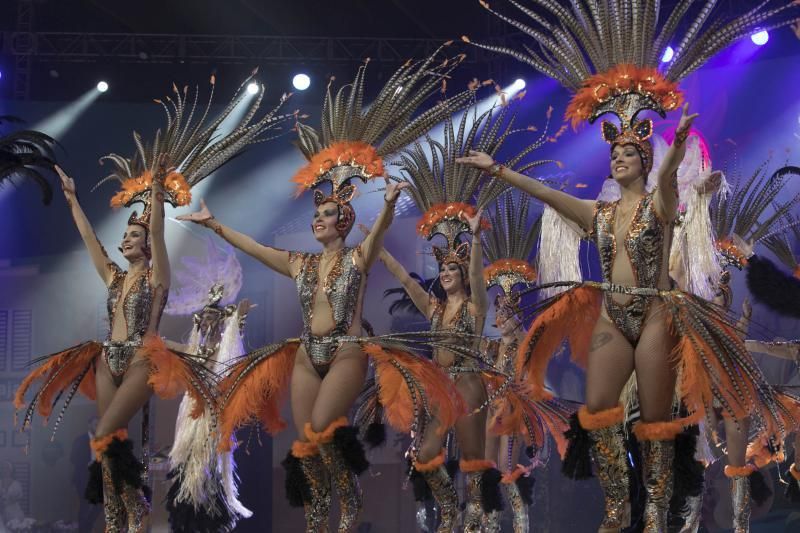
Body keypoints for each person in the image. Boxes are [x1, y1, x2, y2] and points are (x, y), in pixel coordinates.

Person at [461, 2, 799, 531]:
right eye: (613, 150)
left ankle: (656, 516)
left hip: (658, 312)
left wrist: (678, 146)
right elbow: (544, 191)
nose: (618, 156)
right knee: (598, 411)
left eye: (628, 151)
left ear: (644, 158)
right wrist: (498, 170)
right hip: (612, 314)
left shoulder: (660, 206)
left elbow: (668, 185)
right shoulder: (596, 211)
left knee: (658, 424)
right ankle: (619, 508)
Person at [179, 49, 472, 532]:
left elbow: (377, 238)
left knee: (320, 426)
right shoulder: (300, 263)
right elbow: (254, 248)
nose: (318, 219)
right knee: (305, 439)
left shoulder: (358, 257)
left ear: (345, 220)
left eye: (327, 213)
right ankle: (320, 515)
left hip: (346, 352)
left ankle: (350, 501)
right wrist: (214, 225)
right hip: (305, 352)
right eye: (315, 214)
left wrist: (390, 203)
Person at [14, 73, 288, 532]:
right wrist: (72, 200)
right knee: (107, 442)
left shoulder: (157, 279)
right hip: (108, 358)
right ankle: (119, 519)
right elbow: (89, 242)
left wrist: (158, 193)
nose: (126, 239)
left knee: (105, 434)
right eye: (125, 234)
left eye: (133, 234)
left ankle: (138, 511)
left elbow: (160, 233)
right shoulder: (115, 277)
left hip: (142, 359)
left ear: (146, 243)